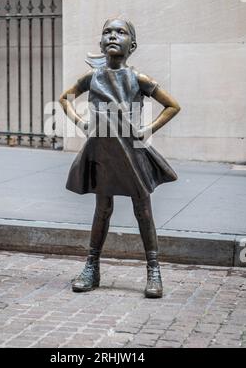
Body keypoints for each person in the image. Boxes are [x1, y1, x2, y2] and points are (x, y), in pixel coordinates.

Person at [59, 18, 180, 298]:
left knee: (143, 209)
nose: (113, 36)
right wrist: (81, 123)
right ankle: (92, 266)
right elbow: (65, 98)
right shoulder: (92, 78)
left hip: (131, 150)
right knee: (102, 208)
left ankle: (153, 269)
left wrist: (146, 130)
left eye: (121, 32)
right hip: (101, 150)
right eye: (107, 32)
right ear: (100, 44)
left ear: (132, 45)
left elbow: (173, 105)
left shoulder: (138, 78)